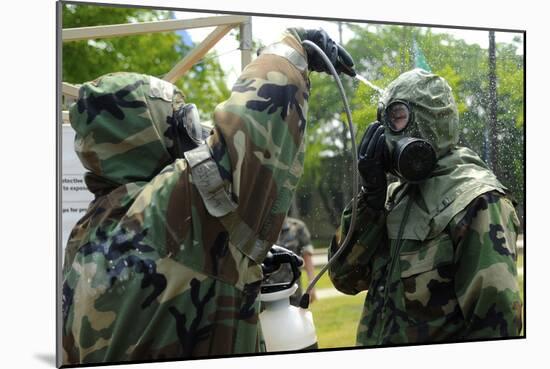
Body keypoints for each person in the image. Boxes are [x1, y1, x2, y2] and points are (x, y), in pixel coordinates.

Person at [61, 28, 355, 364]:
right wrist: (292, 46)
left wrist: (228, 263)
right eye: (180, 122)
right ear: (150, 132)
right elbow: (250, 126)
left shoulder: (87, 234)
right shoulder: (170, 206)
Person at [328, 68, 522, 346]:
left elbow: (496, 329)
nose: (386, 134)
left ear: (429, 121)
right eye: (383, 121)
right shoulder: (392, 197)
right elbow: (344, 279)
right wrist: (370, 201)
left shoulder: (476, 201)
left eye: (397, 118)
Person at [264, 216, 317, 306]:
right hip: (266, 292)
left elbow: (307, 257)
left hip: (292, 292)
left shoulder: (298, 228)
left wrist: (312, 285)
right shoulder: (262, 229)